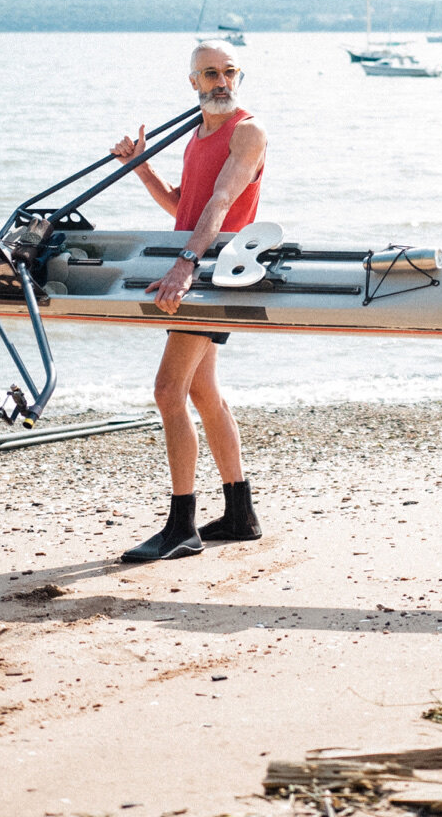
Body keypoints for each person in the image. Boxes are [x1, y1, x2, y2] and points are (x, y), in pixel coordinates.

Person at [109, 40, 268, 563]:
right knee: (203, 392)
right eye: (209, 74)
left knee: (167, 388)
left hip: (215, 271)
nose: (221, 82)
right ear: (193, 83)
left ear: (238, 76)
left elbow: (222, 201)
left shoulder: (246, 131)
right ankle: (240, 514)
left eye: (228, 72)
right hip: (202, 264)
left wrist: (186, 265)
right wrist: (141, 168)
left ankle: (181, 525)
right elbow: (186, 205)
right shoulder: (197, 135)